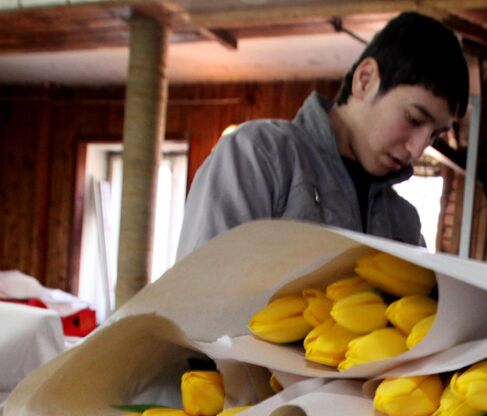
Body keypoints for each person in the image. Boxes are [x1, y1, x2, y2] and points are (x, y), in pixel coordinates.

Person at [175, 13, 469, 258]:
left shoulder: (404, 223)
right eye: (414, 119)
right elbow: (198, 307)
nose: (417, 150)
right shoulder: (259, 155)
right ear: (365, 80)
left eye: (433, 136)